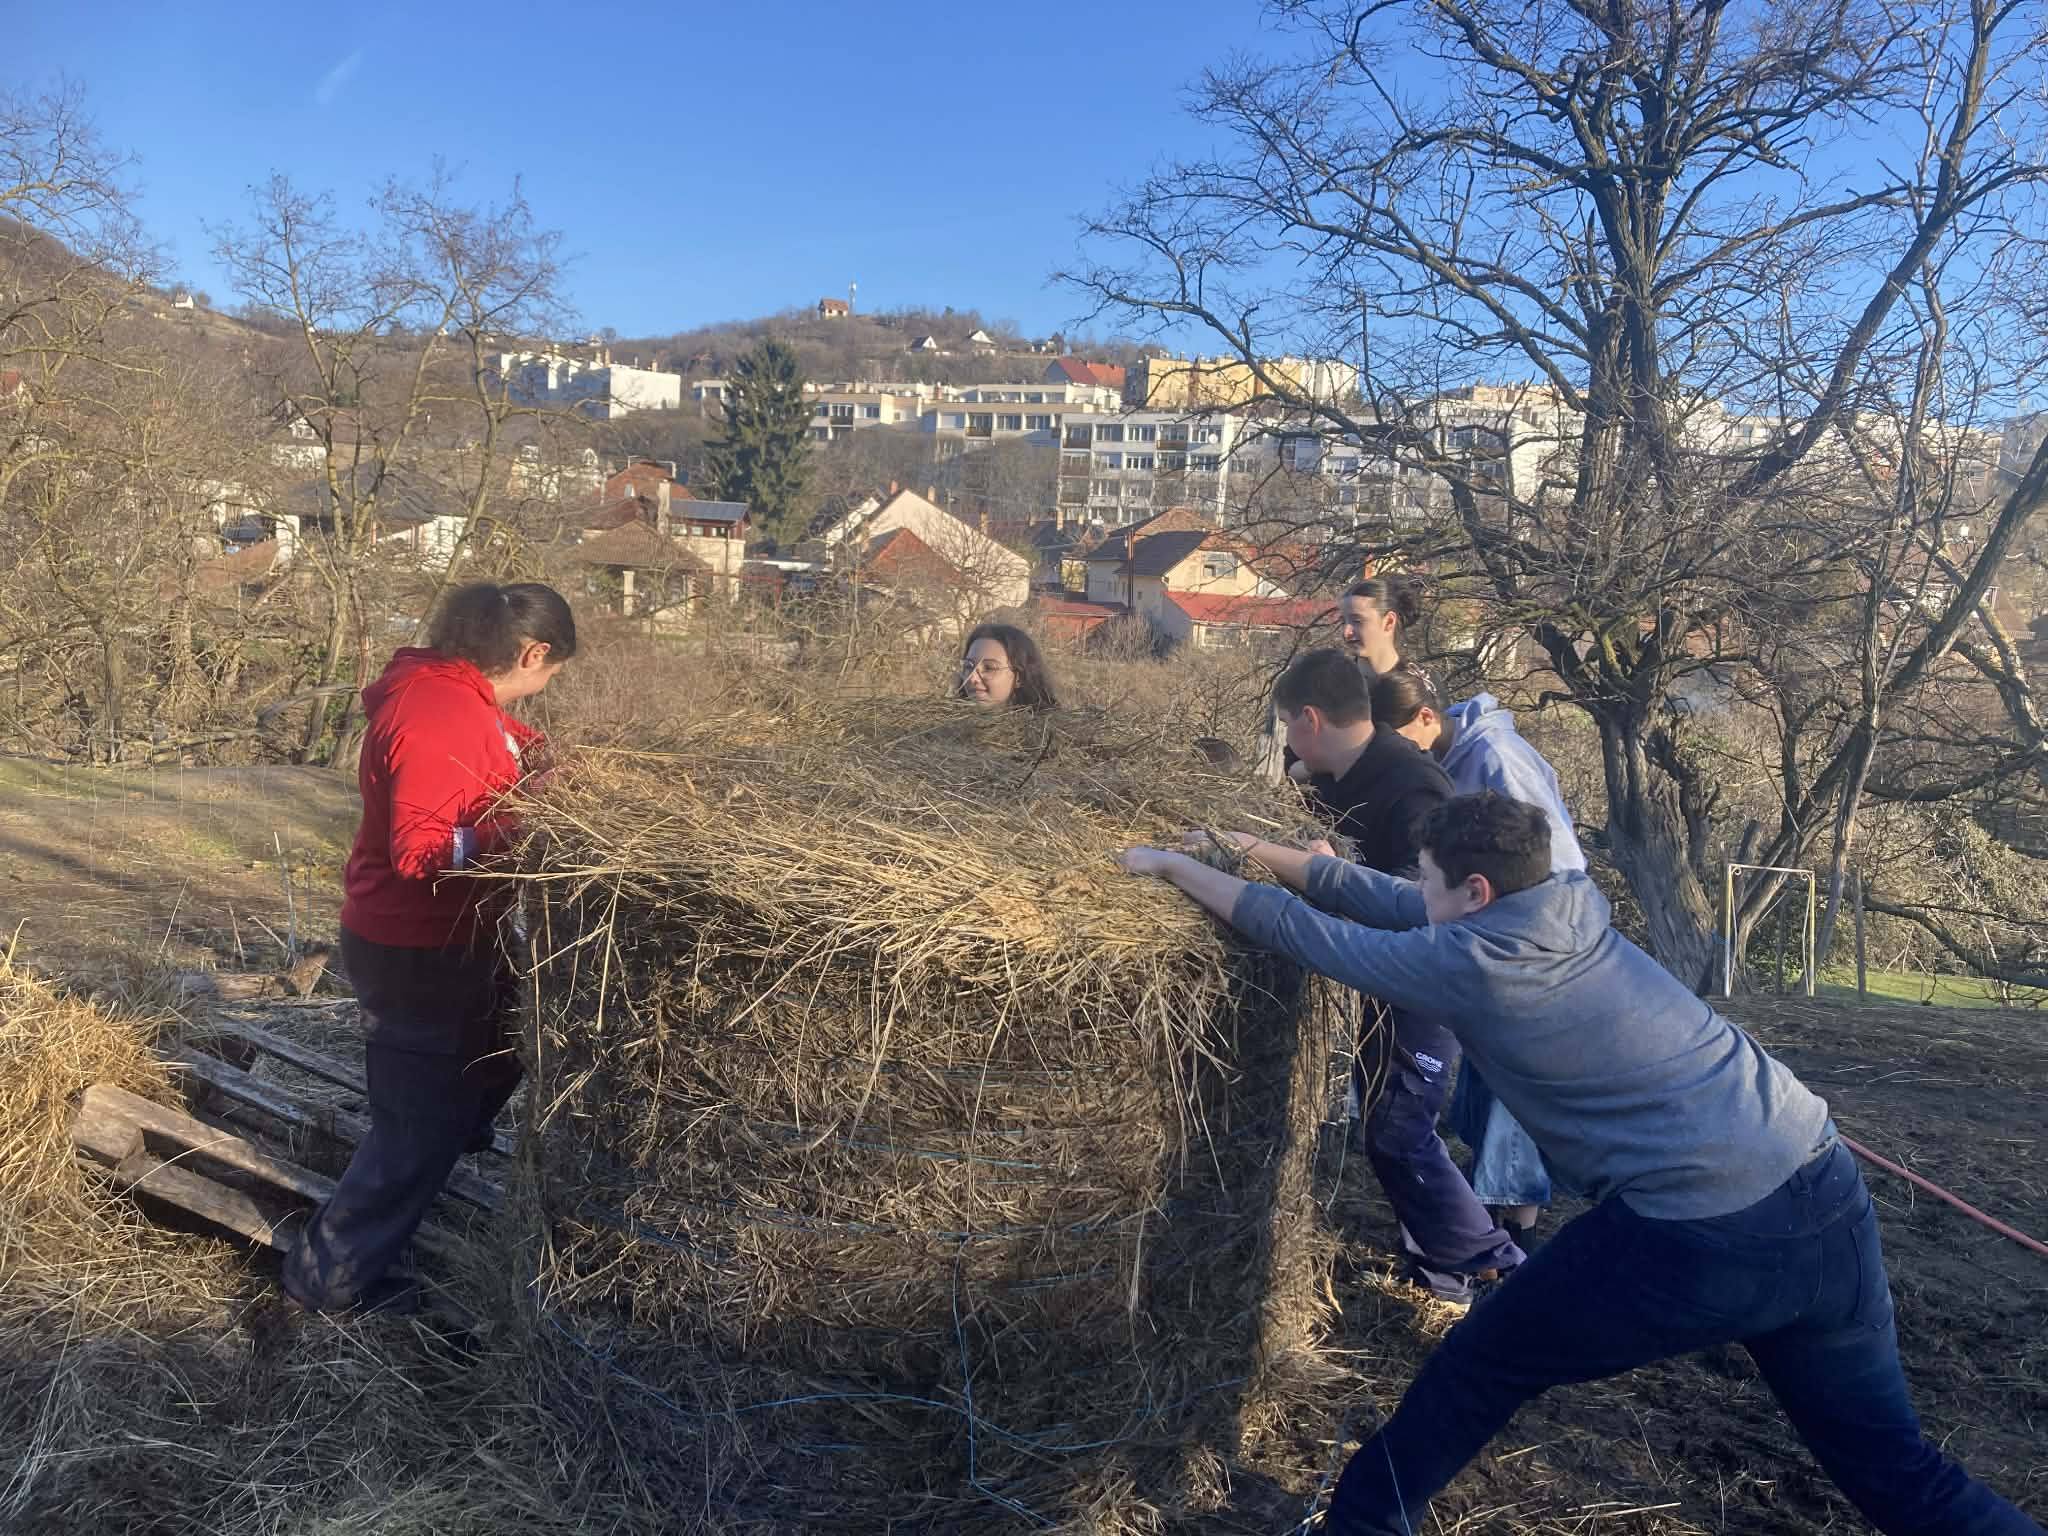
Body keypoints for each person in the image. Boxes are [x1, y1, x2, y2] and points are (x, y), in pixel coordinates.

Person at [1121, 794, 2042, 1536]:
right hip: (1823, 1185)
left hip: (1703, 1231)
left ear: (1476, 892)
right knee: (1894, 1469)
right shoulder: (1561, 906)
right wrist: (1255, 846)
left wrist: (1171, 867)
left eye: (1429, 877)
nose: (1415, 889)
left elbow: (1306, 933)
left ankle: (1361, 1524)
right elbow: (1389, 902)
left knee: (1484, 1361)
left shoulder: (1477, 965)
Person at [281, 581, 576, 1315]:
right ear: (532, 654)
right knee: (413, 1128)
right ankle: (327, 1283)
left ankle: (450, 1131)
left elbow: (500, 742)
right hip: (415, 948)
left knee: (508, 1040)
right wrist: (533, 825)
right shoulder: (441, 712)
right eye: (551, 672)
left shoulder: (454, 692)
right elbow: (421, 850)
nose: (545, 686)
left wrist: (557, 766)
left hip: (455, 937)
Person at [1274, 649, 1521, 1305]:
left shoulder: (1412, 786)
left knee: (1398, 1129)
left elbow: (1427, 899)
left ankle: (1488, 1262)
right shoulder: (1351, 772)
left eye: (1288, 726)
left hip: (1428, 980)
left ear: (1310, 718)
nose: (1288, 744)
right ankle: (1438, 1257)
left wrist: (1333, 867)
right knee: (1387, 1125)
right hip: (1388, 976)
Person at [1371, 669, 1580, 1236]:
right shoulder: (1452, 755)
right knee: (1486, 1089)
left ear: (1427, 718)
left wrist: (1512, 931)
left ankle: (1515, 1240)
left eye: (1400, 742)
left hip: (1526, 946)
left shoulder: (1497, 758)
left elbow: (1556, 860)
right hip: (1485, 934)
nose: (1401, 760)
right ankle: (1493, 1220)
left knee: (1513, 1095)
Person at [1338, 574, 1429, 684]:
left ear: (1389, 622)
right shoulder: (1332, 684)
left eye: (1357, 621)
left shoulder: (1421, 683)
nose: (1346, 632)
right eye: (1343, 622)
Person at [956, 622, 1057, 711]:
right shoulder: (949, 725)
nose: (972, 678)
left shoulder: (1048, 726)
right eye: (968, 666)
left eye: (989, 668)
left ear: (1019, 678)